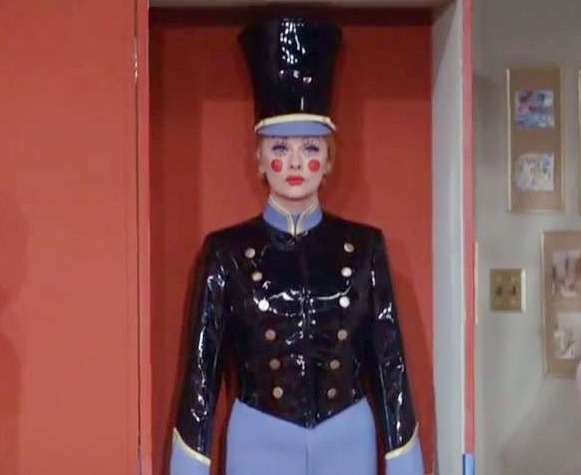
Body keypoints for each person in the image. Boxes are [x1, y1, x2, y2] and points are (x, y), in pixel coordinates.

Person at [170, 17, 425, 475]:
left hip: (347, 434)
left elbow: (391, 366)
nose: (294, 163)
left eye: (310, 148)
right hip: (259, 435)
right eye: (279, 148)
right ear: (258, 159)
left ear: (328, 160)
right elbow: (200, 374)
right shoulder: (225, 252)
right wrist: (188, 467)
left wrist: (405, 464)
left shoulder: (364, 247)